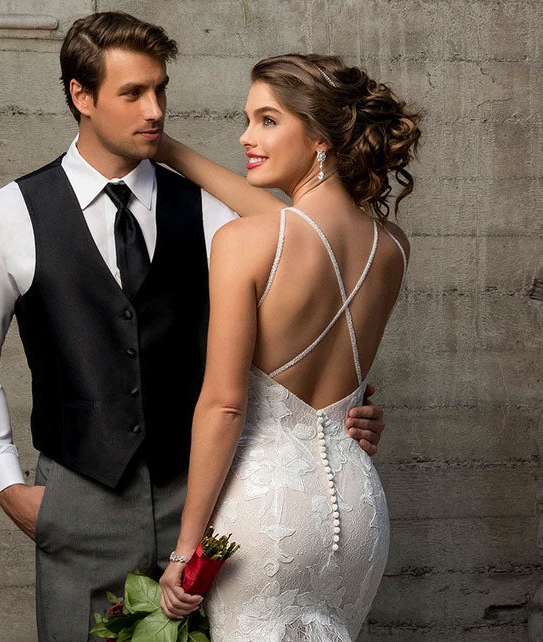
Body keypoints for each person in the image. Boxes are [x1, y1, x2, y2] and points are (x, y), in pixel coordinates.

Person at [0, 13, 388, 641]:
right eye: (132, 94)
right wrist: (7, 485)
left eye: (161, 90)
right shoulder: (4, 216)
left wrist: (341, 411)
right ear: (81, 95)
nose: (155, 110)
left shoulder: (215, 214)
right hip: (83, 498)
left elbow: (314, 251)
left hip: (211, 504)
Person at [152, 53, 419, 640]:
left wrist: (186, 551)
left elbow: (224, 405)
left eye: (267, 120)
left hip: (267, 513)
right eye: (248, 119)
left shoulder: (243, 242)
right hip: (357, 510)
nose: (246, 137)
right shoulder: (391, 246)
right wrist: (170, 150)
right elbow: (299, 223)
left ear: (321, 135)